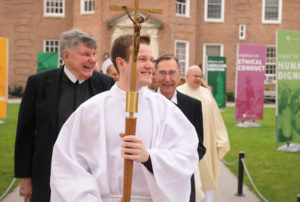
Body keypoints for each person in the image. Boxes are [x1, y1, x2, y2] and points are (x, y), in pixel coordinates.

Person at [50, 35, 199, 201]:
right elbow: (67, 167)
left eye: (151, 59)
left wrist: (149, 157)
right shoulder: (91, 111)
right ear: (121, 63)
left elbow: (188, 155)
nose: (150, 65)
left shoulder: (166, 110)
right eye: (142, 59)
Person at [14, 29, 115, 202]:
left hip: (91, 175)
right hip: (47, 173)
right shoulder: (38, 84)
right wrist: (25, 177)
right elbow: (26, 133)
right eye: (85, 54)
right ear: (66, 56)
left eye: (94, 54)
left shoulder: (106, 84)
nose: (92, 60)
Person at [154, 53, 206, 202]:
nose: (167, 79)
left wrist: (179, 163)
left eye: (172, 73)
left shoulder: (193, 106)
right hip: (153, 180)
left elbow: (200, 147)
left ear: (180, 75)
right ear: (155, 75)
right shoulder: (144, 103)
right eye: (162, 73)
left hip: (183, 181)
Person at [177, 65, 230, 202]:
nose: (198, 79)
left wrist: (220, 137)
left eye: (200, 76)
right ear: (187, 76)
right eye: (195, 76)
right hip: (186, 142)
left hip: (207, 140)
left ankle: (208, 199)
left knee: (208, 173)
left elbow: (216, 117)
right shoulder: (179, 92)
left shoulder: (206, 93)